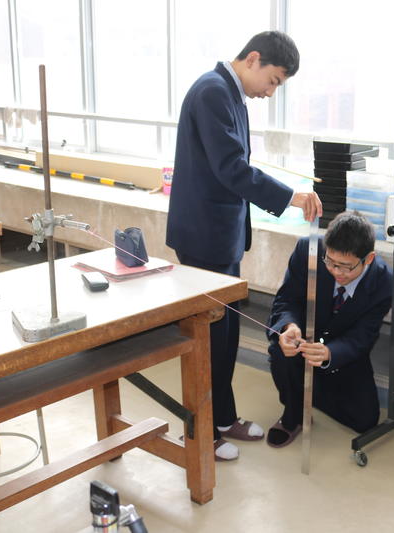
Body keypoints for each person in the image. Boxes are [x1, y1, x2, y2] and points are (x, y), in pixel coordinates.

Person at [166, 31, 322, 461]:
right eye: (273, 81)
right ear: (253, 59)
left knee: (226, 334)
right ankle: (202, 432)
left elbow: (233, 167)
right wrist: (290, 197)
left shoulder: (229, 93)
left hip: (222, 236)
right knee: (208, 339)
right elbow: (232, 168)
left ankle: (223, 418)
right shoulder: (212, 92)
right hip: (203, 238)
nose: (270, 92)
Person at [265, 211, 392, 447]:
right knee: (279, 351)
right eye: (330, 262)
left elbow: (364, 336)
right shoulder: (308, 251)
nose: (336, 271)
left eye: (346, 267)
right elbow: (286, 300)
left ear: (369, 259)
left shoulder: (383, 281)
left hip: (341, 352)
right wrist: (289, 326)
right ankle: (294, 413)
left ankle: (309, 389)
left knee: (365, 420)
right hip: (303, 341)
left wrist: (330, 353)